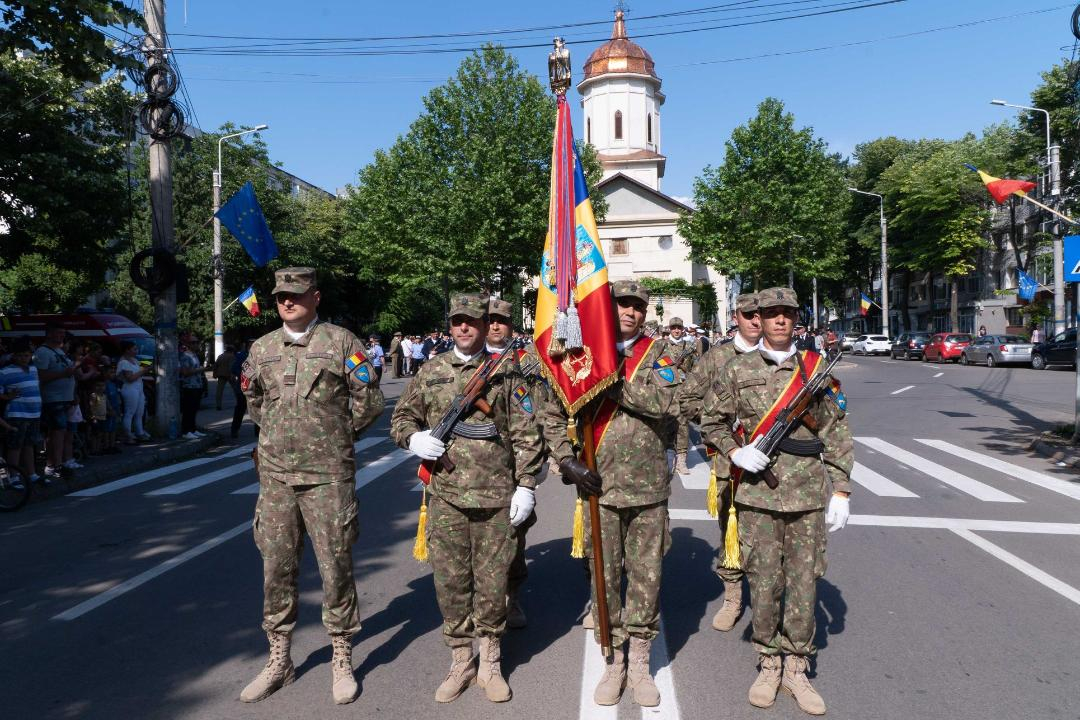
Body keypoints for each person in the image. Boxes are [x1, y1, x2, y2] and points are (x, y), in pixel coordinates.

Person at [700, 287, 853, 716]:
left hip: (805, 494)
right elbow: (710, 420)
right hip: (756, 496)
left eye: (787, 313)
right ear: (759, 319)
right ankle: (769, 662)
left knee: (804, 583)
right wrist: (734, 452)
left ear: (796, 319)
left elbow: (836, 431)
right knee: (764, 582)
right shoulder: (736, 368)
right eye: (771, 314)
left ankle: (797, 667)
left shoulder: (817, 369)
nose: (780, 320)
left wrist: (840, 489)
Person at [240, 267, 385, 705]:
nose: (288, 302)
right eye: (282, 295)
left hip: (327, 478)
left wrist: (335, 438)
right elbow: (254, 401)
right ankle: (279, 659)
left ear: (315, 297)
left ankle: (342, 654)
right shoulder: (262, 347)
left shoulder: (341, 343)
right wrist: (280, 440)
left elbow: (369, 401)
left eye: (297, 295)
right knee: (276, 569)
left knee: (335, 566)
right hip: (277, 478)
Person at [391, 293, 543, 704]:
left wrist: (526, 485)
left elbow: (528, 434)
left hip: (496, 497)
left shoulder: (507, 373)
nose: (464, 328)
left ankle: (491, 659)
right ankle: (461, 659)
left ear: (483, 323)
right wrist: (414, 439)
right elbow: (401, 417)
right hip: (446, 497)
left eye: (472, 321)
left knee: (493, 583)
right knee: (452, 582)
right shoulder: (433, 370)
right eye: (457, 321)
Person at [548, 280, 682, 708]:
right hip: (597, 485)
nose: (630, 312)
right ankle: (614, 658)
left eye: (637, 307)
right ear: (605, 310)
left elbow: (667, 404)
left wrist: (611, 379)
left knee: (646, 575)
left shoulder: (663, 354)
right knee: (603, 576)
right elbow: (553, 409)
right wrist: (566, 461)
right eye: (622, 305)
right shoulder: (578, 355)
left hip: (646, 486)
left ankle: (640, 658)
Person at [679, 293, 761, 632]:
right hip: (731, 458)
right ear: (736, 316)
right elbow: (687, 400)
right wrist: (719, 424)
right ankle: (733, 597)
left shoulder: (784, 357)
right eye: (749, 314)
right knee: (731, 528)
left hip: (775, 460)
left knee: (771, 531)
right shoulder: (718, 358)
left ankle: (769, 598)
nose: (757, 321)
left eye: (762, 314)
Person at [486, 295, 540, 630]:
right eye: (489, 320)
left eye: (501, 321)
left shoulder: (527, 360)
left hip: (515, 462)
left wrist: (536, 464)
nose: (494, 326)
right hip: (469, 467)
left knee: (515, 536)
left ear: (510, 325)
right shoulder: (466, 360)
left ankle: (513, 595)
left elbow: (541, 405)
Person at [33, 324, 78, 478]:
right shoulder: (43, 352)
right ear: (49, 334)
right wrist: (64, 373)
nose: (61, 336)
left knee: (60, 432)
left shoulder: (59, 350)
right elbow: (41, 376)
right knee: (56, 432)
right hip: (53, 398)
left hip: (65, 397)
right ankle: (55, 465)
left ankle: (55, 464)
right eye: (58, 333)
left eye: (63, 334)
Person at [0, 338, 43, 487]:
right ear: (14, 356)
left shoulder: (34, 369)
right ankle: (14, 476)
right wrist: (7, 396)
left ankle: (31, 474)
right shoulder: (5, 372)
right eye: (20, 355)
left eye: (26, 355)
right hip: (17, 414)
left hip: (34, 413)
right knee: (15, 446)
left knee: (29, 445)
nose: (23, 358)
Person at [666, 316, 698, 476]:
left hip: (684, 390)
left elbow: (696, 369)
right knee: (666, 423)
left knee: (683, 425)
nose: (676, 330)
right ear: (669, 329)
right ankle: (668, 457)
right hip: (666, 391)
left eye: (679, 328)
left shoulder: (690, 346)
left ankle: (681, 461)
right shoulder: (662, 346)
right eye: (674, 328)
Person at [116, 341, 151, 444]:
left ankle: (139, 433)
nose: (136, 351)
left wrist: (147, 366)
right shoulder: (123, 362)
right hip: (130, 388)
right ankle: (128, 435)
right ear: (127, 350)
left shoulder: (134, 360)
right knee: (129, 412)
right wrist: (143, 370)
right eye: (134, 349)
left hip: (138, 388)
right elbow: (130, 378)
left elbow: (141, 371)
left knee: (139, 412)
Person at [179, 338, 205, 439]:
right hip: (189, 386)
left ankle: (193, 429)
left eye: (197, 342)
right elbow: (185, 372)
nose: (196, 344)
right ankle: (186, 431)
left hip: (197, 385)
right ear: (188, 344)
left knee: (194, 408)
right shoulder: (185, 356)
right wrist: (200, 370)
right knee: (188, 409)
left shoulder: (194, 355)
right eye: (193, 343)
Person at [230, 340, 251, 439]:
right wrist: (244, 374)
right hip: (243, 386)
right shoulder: (241, 356)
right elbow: (234, 369)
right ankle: (234, 430)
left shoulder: (260, 354)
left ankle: (258, 431)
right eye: (251, 344)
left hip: (257, 388)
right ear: (247, 346)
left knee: (259, 409)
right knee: (240, 409)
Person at [213, 346, 236, 411]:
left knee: (219, 390)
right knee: (236, 389)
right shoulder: (232, 356)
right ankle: (240, 402)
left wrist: (214, 373)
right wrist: (232, 375)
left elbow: (216, 365)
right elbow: (231, 366)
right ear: (232, 351)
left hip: (221, 375)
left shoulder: (220, 356)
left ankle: (218, 405)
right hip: (229, 375)